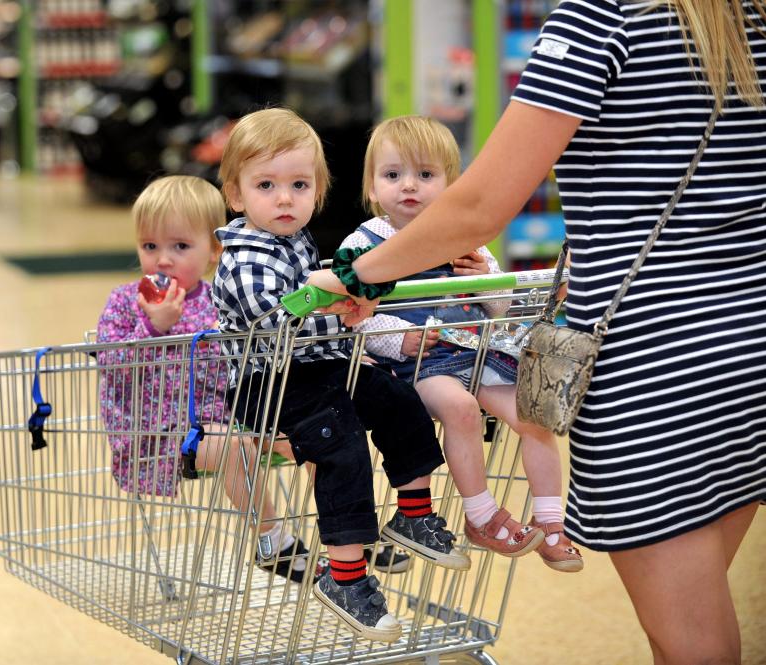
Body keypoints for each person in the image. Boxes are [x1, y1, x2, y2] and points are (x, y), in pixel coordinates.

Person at [308, 2, 766, 662]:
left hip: (656, 364)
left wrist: (354, 276)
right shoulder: (748, 19)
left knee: (693, 643)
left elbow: (478, 205)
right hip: (746, 341)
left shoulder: (602, 16)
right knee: (703, 606)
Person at [212, 107, 470, 643]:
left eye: (299, 185)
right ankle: (345, 577)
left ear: (318, 192)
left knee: (397, 398)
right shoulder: (243, 257)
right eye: (267, 185)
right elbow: (277, 323)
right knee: (342, 442)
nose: (285, 198)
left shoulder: (298, 244)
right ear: (236, 196)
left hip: (321, 370)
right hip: (269, 385)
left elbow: (330, 308)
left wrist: (350, 314)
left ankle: (414, 513)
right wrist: (337, 300)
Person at [339, 115, 582, 571]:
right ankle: (482, 515)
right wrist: (399, 340)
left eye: (425, 175)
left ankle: (552, 522)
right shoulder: (362, 245)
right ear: (372, 187)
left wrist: (487, 281)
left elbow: (503, 310)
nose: (408, 186)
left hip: (478, 352)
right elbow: (354, 319)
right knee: (461, 409)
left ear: (452, 183)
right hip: (420, 365)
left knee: (534, 418)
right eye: (393, 175)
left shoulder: (466, 241)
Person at [96, 175, 316, 585]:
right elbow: (109, 362)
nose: (163, 259)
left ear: (215, 250)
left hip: (225, 415)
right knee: (234, 446)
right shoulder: (126, 301)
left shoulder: (222, 298)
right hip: (156, 433)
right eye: (150, 246)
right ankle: (272, 539)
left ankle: (344, 530)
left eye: (180, 246)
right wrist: (155, 329)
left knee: (311, 434)